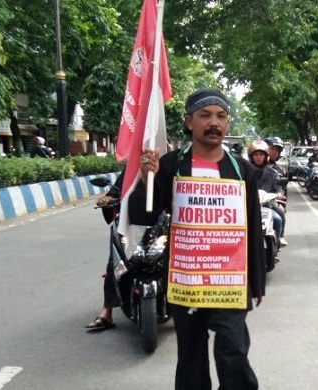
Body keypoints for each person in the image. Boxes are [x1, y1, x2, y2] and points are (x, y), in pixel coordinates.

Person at [129, 88, 265, 390]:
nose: (213, 123)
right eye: (205, 116)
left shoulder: (241, 170)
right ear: (189, 122)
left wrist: (256, 281)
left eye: (220, 116)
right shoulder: (171, 165)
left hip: (230, 282)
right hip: (186, 282)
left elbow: (253, 226)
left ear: (228, 123)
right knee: (191, 359)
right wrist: (145, 179)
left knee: (234, 353)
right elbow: (144, 216)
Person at [85, 170, 125, 331]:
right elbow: (114, 193)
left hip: (159, 223)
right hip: (129, 224)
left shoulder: (166, 169)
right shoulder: (130, 172)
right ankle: (106, 312)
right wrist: (106, 199)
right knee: (114, 263)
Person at [248, 140, 288, 247]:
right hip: (249, 205)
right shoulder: (246, 171)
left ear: (265, 156)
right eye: (256, 155)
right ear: (251, 157)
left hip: (268, 203)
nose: (258, 157)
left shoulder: (273, 173)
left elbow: (278, 187)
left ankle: (280, 238)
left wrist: (279, 193)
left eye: (261, 154)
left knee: (278, 218)